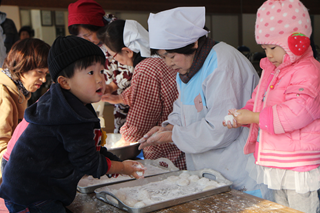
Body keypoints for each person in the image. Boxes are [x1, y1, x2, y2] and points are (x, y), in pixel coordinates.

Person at [138, 7, 272, 199]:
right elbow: (181, 109)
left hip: (238, 170)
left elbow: (222, 127)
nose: (168, 64)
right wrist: (167, 127)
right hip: (210, 172)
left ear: (192, 43)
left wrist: (173, 136)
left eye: (171, 56)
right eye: (163, 57)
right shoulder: (186, 70)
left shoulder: (222, 62)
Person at [0, 36, 145, 213]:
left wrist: (116, 162)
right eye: (91, 73)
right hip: (31, 194)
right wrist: (122, 168)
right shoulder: (66, 114)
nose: (100, 79)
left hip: (38, 187)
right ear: (64, 82)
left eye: (101, 71)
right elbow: (89, 163)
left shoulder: (72, 104)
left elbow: (93, 149)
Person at [224, 0, 320, 212]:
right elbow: (259, 99)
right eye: (265, 48)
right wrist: (245, 114)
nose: (267, 55)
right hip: (275, 157)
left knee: (300, 208)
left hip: (297, 161)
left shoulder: (308, 71)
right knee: (278, 208)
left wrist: (255, 118)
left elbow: (297, 112)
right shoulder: (272, 69)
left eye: (273, 48)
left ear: (297, 43)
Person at [97, 19, 186, 170]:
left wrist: (120, 142)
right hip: (180, 146)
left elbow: (141, 122)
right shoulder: (159, 61)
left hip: (168, 154)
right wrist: (118, 98)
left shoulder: (146, 68)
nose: (114, 60)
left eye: (114, 55)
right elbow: (149, 94)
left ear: (127, 51)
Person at [68, 0, 134, 133]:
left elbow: (131, 66)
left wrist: (110, 87)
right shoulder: (96, 41)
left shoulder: (117, 32)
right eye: (82, 37)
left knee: (136, 136)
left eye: (87, 35)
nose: (86, 40)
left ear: (96, 26)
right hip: (119, 100)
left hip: (135, 94)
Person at [0, 38, 50, 184]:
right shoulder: (3, 94)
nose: (43, 79)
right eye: (39, 72)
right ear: (22, 65)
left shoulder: (19, 92)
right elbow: (2, 147)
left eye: (46, 73)